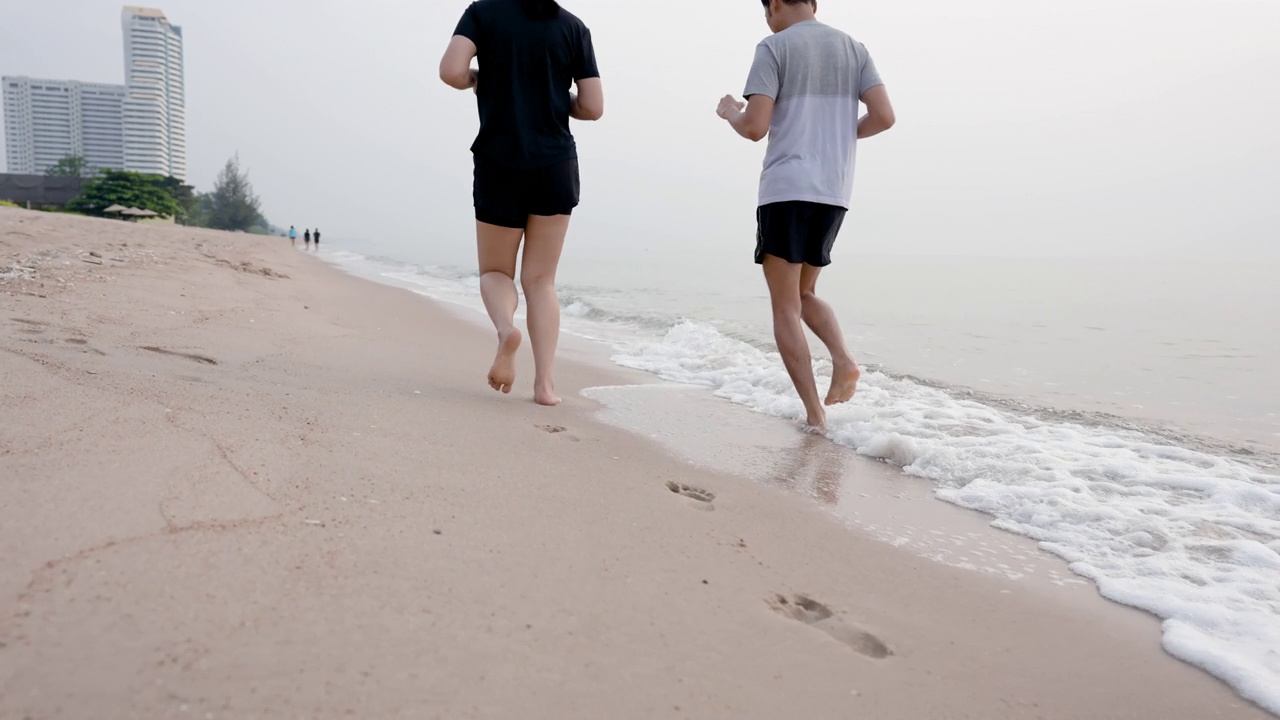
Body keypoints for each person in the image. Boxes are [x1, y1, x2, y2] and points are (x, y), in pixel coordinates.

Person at [716, 0, 895, 433]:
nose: (767, 20)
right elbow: (884, 117)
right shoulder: (854, 48)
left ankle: (816, 416)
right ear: (814, 3)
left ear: (775, 4)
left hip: (787, 188)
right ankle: (844, 360)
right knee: (806, 293)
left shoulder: (774, 47)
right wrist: (835, 131)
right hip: (833, 191)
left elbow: (756, 126)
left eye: (766, 11)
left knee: (785, 306)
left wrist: (729, 113)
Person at [439, 0, 603, 406]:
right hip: (554, 165)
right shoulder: (574, 28)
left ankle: (504, 331)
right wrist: (550, 96)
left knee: (496, 271)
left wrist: (478, 79)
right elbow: (592, 106)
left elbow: (451, 71)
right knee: (541, 281)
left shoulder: (482, 13)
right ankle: (545, 385)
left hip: (499, 160)